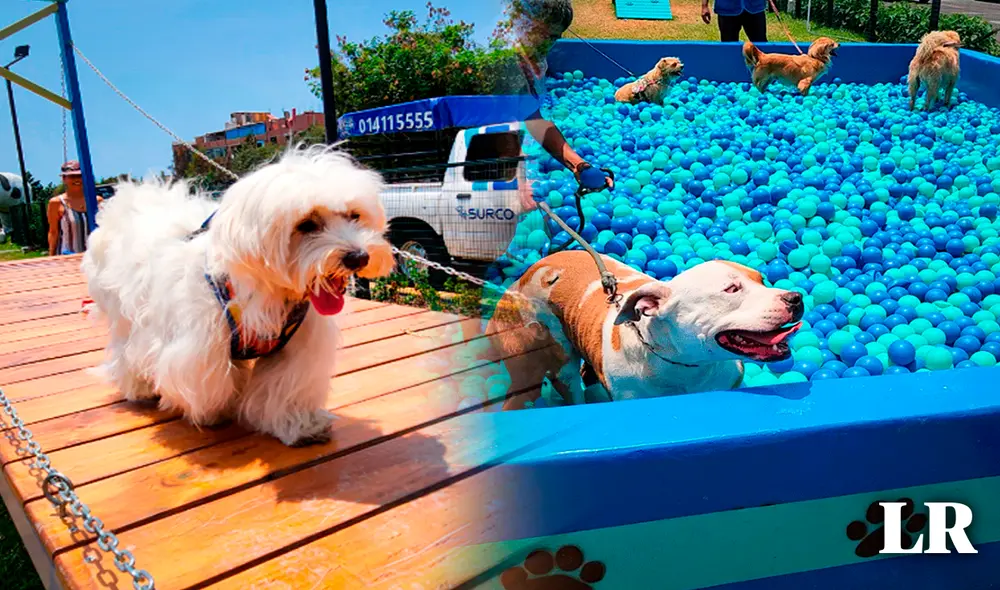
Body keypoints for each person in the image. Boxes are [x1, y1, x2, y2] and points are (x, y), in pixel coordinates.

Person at [496, 0, 614, 207]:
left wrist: (578, 165)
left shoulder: (530, 60)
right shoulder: (497, 61)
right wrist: (515, 177)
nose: (546, 43)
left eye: (553, 37)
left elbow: (533, 119)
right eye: (540, 33)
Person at [47, 160, 102, 256]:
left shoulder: (97, 201)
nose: (77, 180)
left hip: (93, 257)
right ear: (64, 179)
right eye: (72, 176)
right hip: (67, 257)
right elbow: (53, 232)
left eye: (80, 176)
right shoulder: (56, 203)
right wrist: (51, 256)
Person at [702, 0, 769, 43]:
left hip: (755, 7)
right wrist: (704, 5)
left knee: (761, 45)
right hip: (727, 9)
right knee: (729, 47)